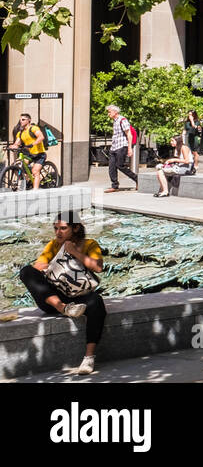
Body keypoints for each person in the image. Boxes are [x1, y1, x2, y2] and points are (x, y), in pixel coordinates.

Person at [20, 211, 105, 374]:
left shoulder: (90, 244)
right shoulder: (53, 245)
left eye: (63, 228)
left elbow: (98, 268)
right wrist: (49, 264)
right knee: (26, 271)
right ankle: (63, 308)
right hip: (53, 299)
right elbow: (38, 267)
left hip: (79, 297)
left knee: (97, 302)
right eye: (56, 228)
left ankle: (88, 358)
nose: (58, 232)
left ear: (76, 228)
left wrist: (74, 253)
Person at [8, 112, 49, 191]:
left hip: (39, 154)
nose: (21, 121)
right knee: (16, 166)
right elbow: (17, 143)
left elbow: (41, 137)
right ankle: (28, 180)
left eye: (23, 120)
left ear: (29, 120)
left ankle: (35, 190)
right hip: (29, 154)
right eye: (20, 120)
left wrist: (33, 144)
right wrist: (11, 146)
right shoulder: (20, 133)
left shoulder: (33, 128)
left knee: (35, 171)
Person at [103, 104, 138, 193]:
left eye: (109, 112)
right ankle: (114, 186)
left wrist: (130, 148)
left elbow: (129, 135)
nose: (108, 114)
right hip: (114, 147)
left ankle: (137, 179)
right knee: (111, 167)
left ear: (115, 112)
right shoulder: (115, 121)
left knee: (120, 165)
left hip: (122, 146)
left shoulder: (123, 120)